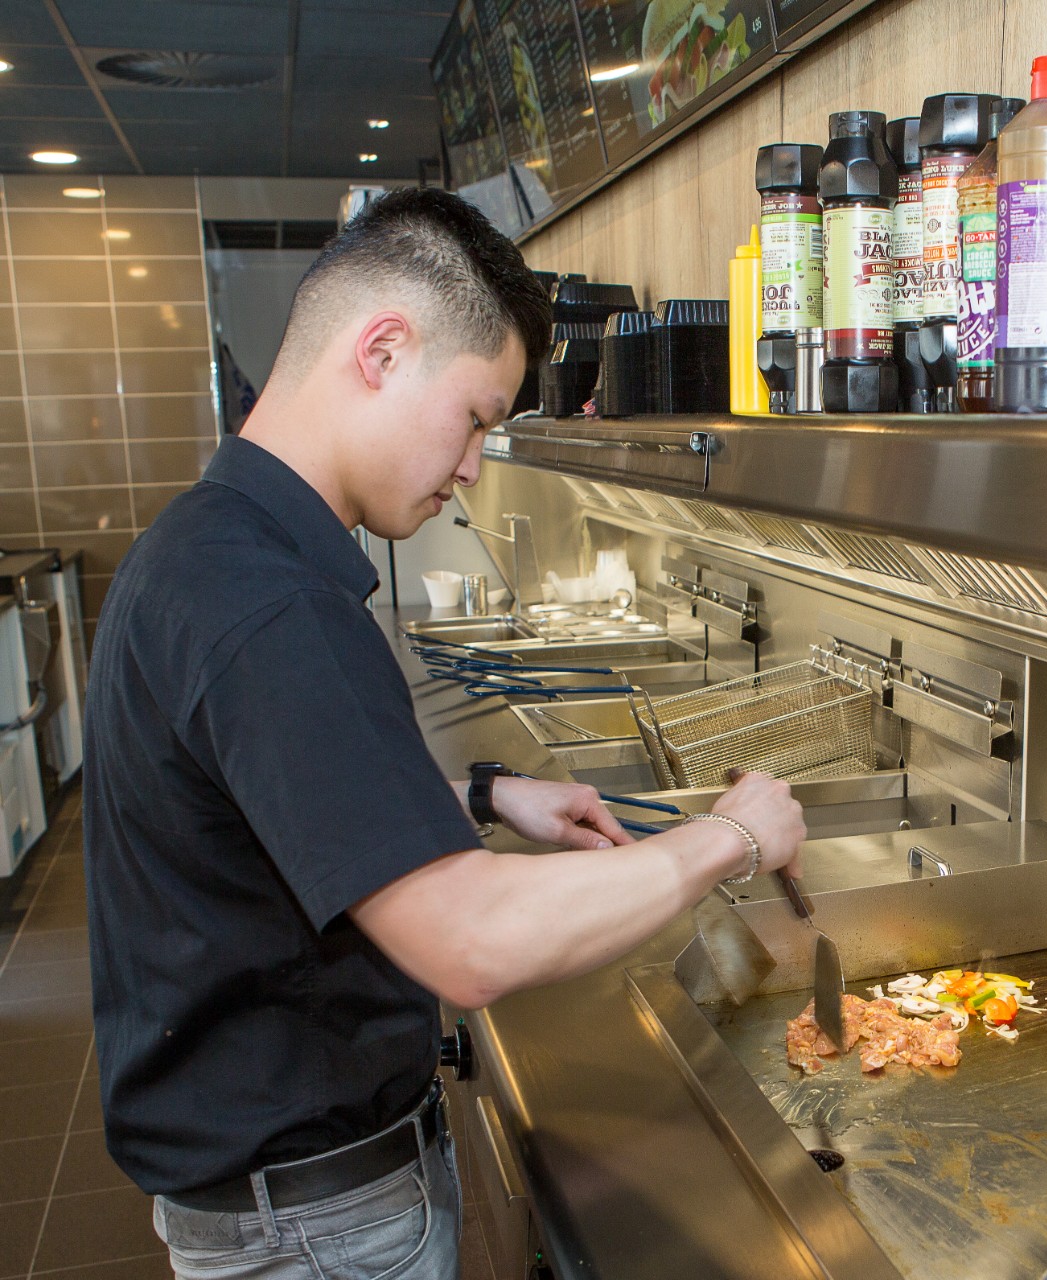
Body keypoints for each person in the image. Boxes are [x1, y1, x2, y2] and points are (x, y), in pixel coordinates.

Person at [83, 187, 806, 1280]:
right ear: (382, 351)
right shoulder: (269, 604)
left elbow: (258, 800)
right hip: (315, 1229)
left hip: (268, 1202)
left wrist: (479, 795)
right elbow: (470, 943)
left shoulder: (208, 547)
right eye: (475, 416)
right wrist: (730, 837)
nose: (473, 465)